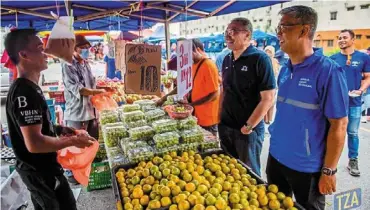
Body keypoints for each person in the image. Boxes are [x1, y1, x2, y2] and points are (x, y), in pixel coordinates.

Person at [267, 6, 349, 209]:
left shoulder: (328, 71)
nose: (278, 33)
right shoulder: (285, 68)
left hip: (307, 168)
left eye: (283, 27)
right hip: (276, 158)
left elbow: (339, 125)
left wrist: (329, 170)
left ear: (304, 30)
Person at [4, 29, 95, 210]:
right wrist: (75, 141)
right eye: (40, 47)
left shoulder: (31, 87)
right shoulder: (24, 92)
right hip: (39, 173)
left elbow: (34, 128)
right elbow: (35, 143)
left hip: (46, 169)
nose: (46, 52)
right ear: (24, 55)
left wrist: (59, 129)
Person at [219, 17, 276, 176]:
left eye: (233, 31)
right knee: (227, 172)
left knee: (249, 175)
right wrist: (219, 118)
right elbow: (225, 91)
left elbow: (268, 98)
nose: (228, 35)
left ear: (247, 36)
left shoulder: (260, 59)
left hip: (247, 131)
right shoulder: (226, 59)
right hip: (226, 126)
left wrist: (248, 126)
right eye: (227, 31)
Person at [62, 35, 105, 183]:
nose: (87, 50)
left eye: (88, 48)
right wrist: (96, 92)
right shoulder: (68, 65)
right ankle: (72, 175)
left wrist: (103, 89)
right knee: (75, 145)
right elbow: (78, 89)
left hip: (90, 111)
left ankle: (88, 171)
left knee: (91, 142)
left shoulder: (85, 64)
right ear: (74, 49)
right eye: (83, 48)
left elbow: (91, 85)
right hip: (77, 112)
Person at [330, 29, 370, 177]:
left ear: (353, 40)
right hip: (336, 103)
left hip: (354, 102)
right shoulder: (333, 59)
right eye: (339, 38)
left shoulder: (363, 58)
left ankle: (353, 160)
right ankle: (328, 162)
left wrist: (360, 90)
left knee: (352, 133)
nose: (341, 40)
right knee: (332, 132)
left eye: (345, 37)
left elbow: (367, 77)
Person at [183, 38, 220, 135]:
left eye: (187, 53)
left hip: (208, 119)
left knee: (209, 147)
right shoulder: (194, 64)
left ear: (197, 50)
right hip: (197, 116)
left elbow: (215, 94)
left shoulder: (208, 65)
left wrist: (192, 104)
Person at [264, 45, 280, 124]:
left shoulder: (275, 61)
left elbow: (277, 73)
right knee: (265, 102)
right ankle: (265, 119)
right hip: (265, 85)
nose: (268, 53)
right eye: (266, 51)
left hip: (273, 85)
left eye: (269, 52)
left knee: (271, 103)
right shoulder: (263, 61)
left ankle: (269, 119)